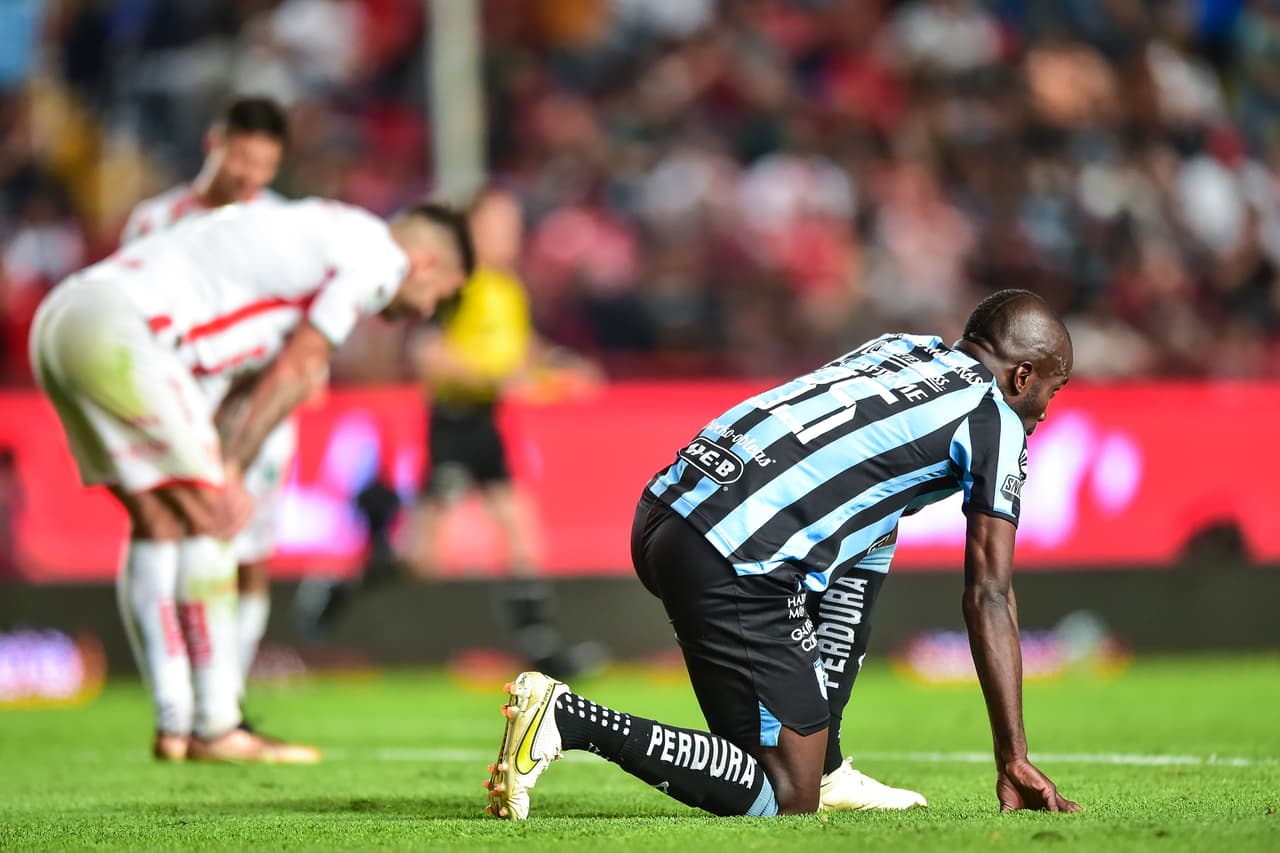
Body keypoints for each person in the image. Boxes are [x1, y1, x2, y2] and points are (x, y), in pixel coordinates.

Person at [484, 289, 1081, 819]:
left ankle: (828, 764)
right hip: (735, 557)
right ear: (1023, 376)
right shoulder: (994, 419)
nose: (1047, 411)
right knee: (786, 794)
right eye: (1053, 389)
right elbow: (989, 592)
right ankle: (570, 718)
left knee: (878, 525)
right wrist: (1014, 756)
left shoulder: (902, 347)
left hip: (668, 507)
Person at [30, 197, 472, 762]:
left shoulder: (319, 224)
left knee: (159, 520)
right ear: (427, 263)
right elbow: (299, 364)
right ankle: (216, 727)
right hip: (123, 332)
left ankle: (175, 725)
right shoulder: (379, 259)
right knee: (217, 512)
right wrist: (233, 467)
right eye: (438, 296)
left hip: (65, 320)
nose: (425, 310)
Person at [121, 95, 292, 725]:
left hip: (256, 406)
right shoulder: (154, 221)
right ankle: (178, 695)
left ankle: (227, 695)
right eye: (242, 158)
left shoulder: (278, 223)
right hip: (178, 404)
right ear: (214, 144)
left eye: (264, 165)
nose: (250, 176)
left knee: (248, 553)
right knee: (169, 531)